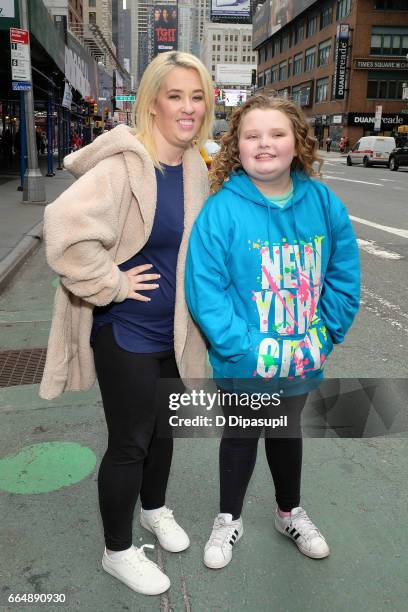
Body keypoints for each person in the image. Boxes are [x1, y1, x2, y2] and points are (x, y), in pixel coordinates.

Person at [39, 51, 214, 596]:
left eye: (197, 96)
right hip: (126, 331)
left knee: (165, 433)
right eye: (175, 96)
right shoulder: (124, 165)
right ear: (153, 104)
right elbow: (63, 228)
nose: (187, 108)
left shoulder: (192, 167)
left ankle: (154, 510)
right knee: (130, 442)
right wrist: (112, 283)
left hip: (174, 332)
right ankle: (117, 551)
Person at [185, 94, 359, 569]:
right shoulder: (222, 210)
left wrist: (324, 335)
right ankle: (228, 517)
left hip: (303, 356)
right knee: (241, 434)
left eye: (277, 133)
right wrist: (242, 347)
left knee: (286, 430)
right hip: (245, 361)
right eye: (252, 135)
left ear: (296, 142)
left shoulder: (322, 201)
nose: (265, 144)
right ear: (236, 146)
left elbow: (344, 270)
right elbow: (205, 286)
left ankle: (289, 512)